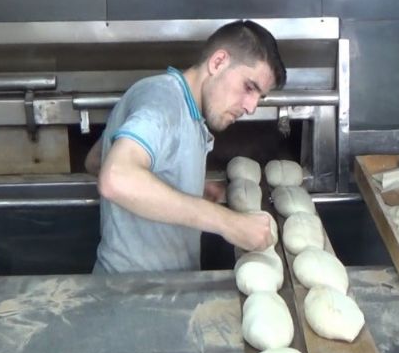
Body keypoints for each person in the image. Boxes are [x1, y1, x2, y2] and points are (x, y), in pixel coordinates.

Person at [85, 20, 287, 273]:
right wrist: (228, 222)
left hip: (163, 284)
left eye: (259, 97)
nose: (251, 107)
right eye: (249, 87)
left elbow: (96, 160)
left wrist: (179, 186)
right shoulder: (164, 103)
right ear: (218, 62)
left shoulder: (178, 105)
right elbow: (115, 178)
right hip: (134, 288)